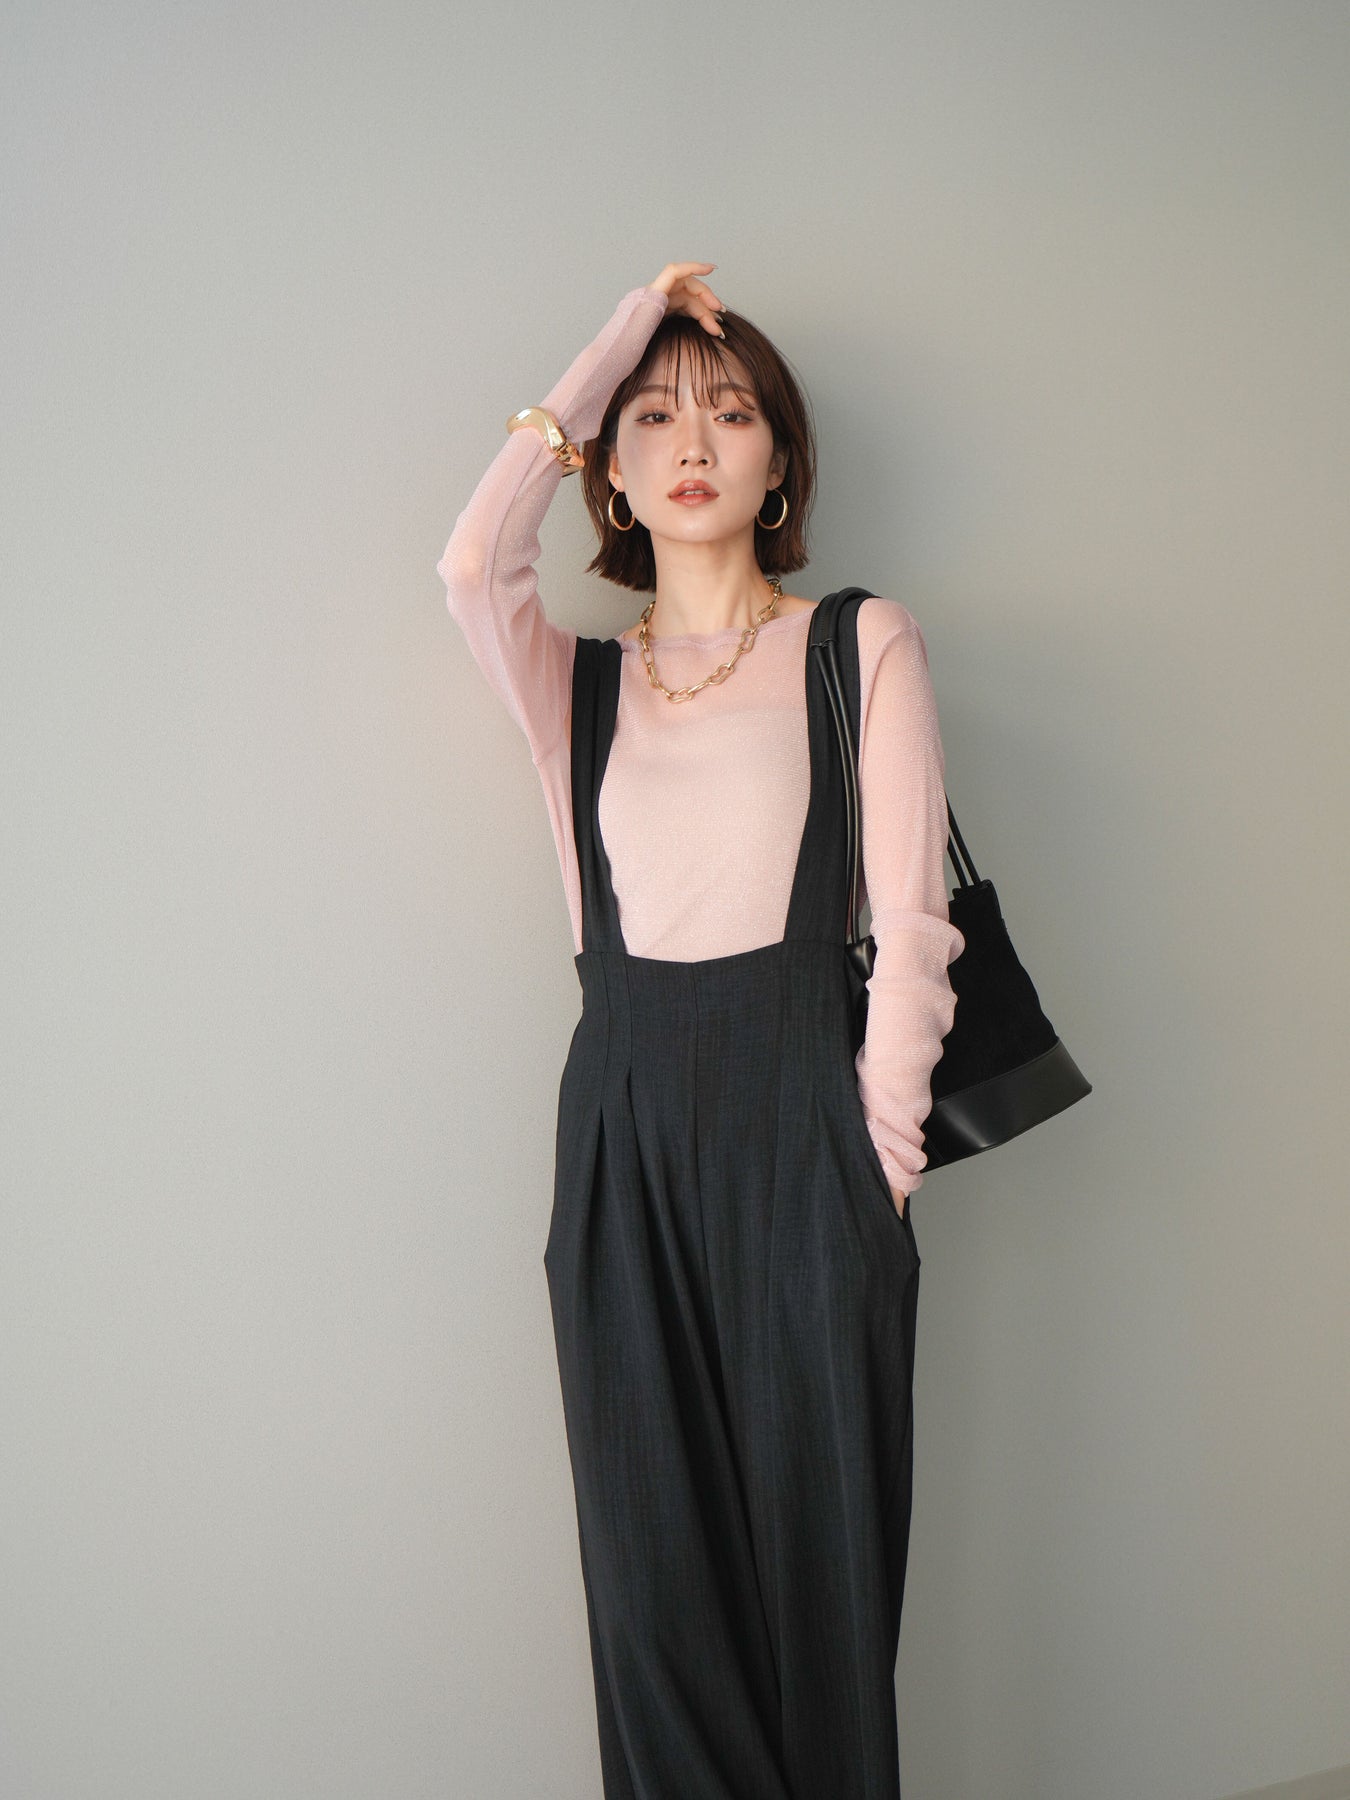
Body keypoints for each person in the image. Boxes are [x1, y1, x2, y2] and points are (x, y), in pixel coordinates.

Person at [437, 260, 963, 1799]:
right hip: (621, 1125)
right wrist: (611, 350)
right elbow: (472, 568)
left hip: (807, 1121)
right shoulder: (579, 689)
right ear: (608, 469)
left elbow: (911, 921)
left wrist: (876, 1155)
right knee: (650, 1593)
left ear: (777, 462)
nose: (689, 441)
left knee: (819, 1576)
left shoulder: (855, 644)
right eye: (653, 418)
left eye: (729, 413)